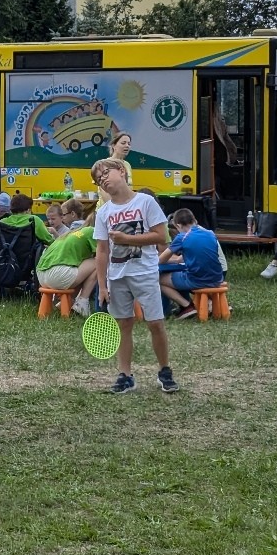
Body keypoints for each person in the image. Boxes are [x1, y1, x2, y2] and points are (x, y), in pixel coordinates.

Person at [91, 158, 178, 394]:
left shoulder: (145, 202)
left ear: (121, 171)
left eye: (106, 173)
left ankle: (164, 371)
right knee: (124, 324)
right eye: (99, 180)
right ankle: (125, 375)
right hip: (117, 276)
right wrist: (102, 284)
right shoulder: (104, 212)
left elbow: (161, 237)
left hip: (145, 272)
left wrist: (127, 239)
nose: (104, 180)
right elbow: (102, 250)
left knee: (155, 323)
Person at [158, 208, 225, 319]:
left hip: (197, 280)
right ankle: (211, 302)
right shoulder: (210, 233)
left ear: (178, 225)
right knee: (182, 275)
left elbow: (161, 260)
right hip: (217, 278)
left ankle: (186, 306)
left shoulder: (181, 237)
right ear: (195, 221)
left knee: (159, 280)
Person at [35, 224, 99, 317]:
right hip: (58, 275)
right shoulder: (92, 231)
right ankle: (82, 302)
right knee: (98, 262)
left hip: (41, 275)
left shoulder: (72, 233)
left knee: (81, 269)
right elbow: (102, 254)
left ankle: (65, 303)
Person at [97, 131, 134, 207]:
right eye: (123, 143)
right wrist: (116, 209)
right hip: (108, 211)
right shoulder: (104, 164)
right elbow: (105, 193)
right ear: (114, 146)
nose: (127, 146)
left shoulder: (127, 165)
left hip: (124, 210)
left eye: (129, 144)